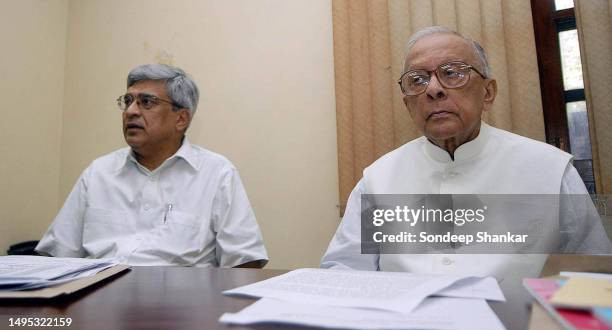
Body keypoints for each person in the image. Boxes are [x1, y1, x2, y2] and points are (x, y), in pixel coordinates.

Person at [321, 26, 610, 280]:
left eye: (452, 73)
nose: (433, 89)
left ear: (488, 92)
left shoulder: (550, 170)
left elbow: (594, 274)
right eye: (417, 80)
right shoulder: (377, 179)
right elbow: (344, 270)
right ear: (408, 104)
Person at [37, 64, 268, 268]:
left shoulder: (217, 173)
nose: (130, 111)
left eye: (146, 102)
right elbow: (57, 254)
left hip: (182, 309)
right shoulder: (99, 172)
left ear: (181, 119)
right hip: (98, 302)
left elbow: (245, 261)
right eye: (128, 101)